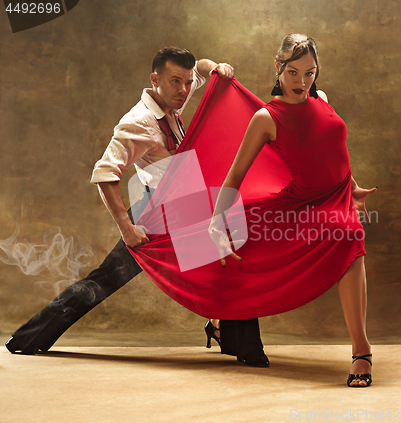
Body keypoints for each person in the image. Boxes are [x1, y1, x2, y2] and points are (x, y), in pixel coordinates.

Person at [5, 46, 268, 367]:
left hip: (187, 209)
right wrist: (127, 230)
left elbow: (199, 68)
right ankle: (27, 339)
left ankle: (235, 340)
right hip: (154, 214)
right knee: (102, 281)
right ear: (155, 80)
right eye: (176, 82)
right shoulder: (138, 122)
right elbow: (104, 174)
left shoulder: (174, 96)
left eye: (187, 83)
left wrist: (216, 68)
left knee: (230, 266)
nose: (185, 91)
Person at [208, 34, 376, 387]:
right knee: (241, 245)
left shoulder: (323, 99)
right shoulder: (266, 117)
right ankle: (219, 321)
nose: (302, 82)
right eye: (294, 73)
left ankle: (361, 351)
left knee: (350, 235)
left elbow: (330, 150)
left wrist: (353, 186)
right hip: (301, 205)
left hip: (339, 196)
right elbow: (235, 175)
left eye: (310, 73)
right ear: (277, 68)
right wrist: (215, 223)